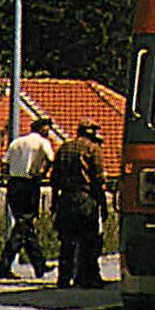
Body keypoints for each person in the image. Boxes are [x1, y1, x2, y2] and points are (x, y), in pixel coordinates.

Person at [51, 120, 109, 289]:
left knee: (67, 241)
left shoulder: (64, 148)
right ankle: (88, 277)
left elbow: (54, 178)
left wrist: (54, 203)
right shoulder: (93, 149)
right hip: (85, 199)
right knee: (89, 240)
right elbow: (98, 180)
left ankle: (64, 277)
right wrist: (103, 204)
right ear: (89, 132)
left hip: (66, 198)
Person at [0, 116, 55, 279]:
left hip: (14, 184)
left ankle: (39, 264)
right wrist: (42, 173)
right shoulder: (43, 143)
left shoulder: (16, 142)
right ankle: (4, 266)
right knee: (23, 226)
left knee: (24, 225)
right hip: (29, 183)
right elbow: (51, 159)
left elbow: (4, 163)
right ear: (42, 129)